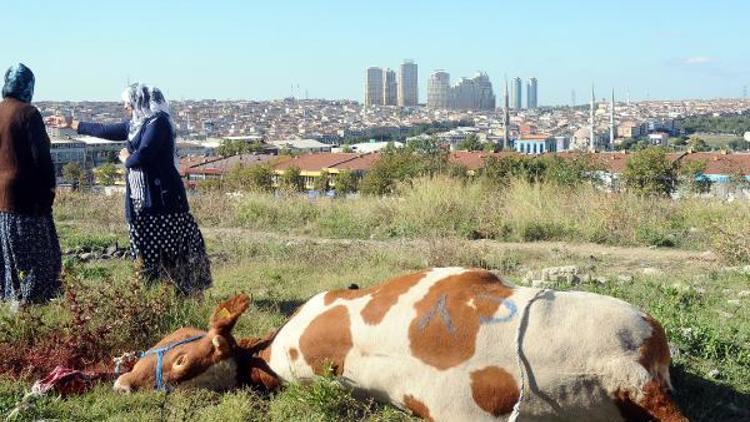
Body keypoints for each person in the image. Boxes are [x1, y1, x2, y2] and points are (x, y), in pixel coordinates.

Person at [72, 84, 211, 294]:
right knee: (146, 248)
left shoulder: (158, 123)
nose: (126, 107)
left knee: (171, 247)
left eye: (128, 103)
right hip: (142, 198)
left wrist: (127, 159)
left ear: (140, 102)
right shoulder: (139, 124)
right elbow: (105, 130)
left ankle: (178, 291)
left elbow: (144, 154)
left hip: (163, 199)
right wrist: (73, 124)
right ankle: (155, 291)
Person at [0, 63, 61, 308]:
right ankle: (32, 309)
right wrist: (49, 194)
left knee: (11, 260)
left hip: (3, 201)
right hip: (28, 201)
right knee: (39, 262)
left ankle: (13, 305)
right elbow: (42, 160)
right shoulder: (28, 113)